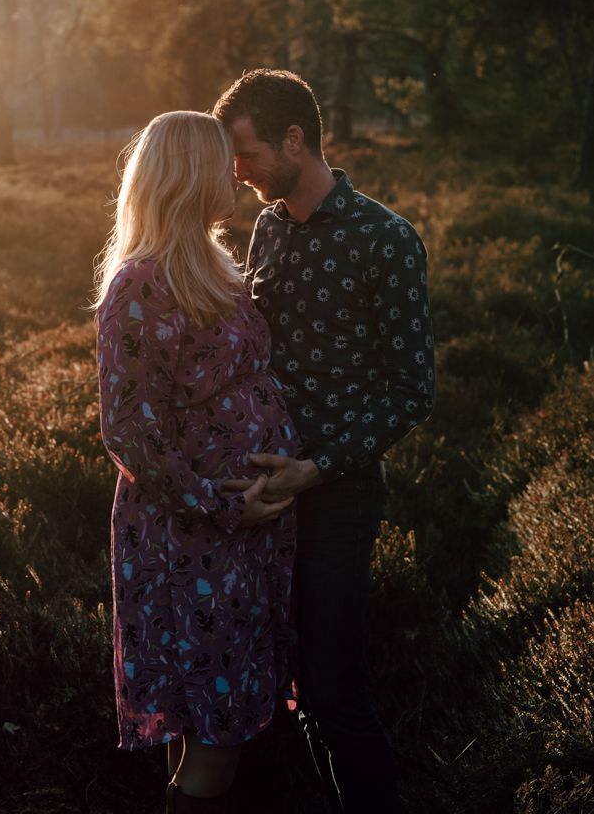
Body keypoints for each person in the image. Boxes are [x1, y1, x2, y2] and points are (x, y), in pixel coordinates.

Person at [213, 69, 435, 814]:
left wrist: (314, 468)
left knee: (336, 690)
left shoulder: (386, 239)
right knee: (293, 688)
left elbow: (412, 390)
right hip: (265, 493)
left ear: (294, 140)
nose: (237, 173)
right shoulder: (269, 226)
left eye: (246, 156)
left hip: (338, 496)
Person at [94, 110, 300, 814]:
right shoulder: (138, 284)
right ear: (189, 175)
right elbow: (128, 431)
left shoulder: (215, 264)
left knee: (205, 721)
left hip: (242, 534)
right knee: (216, 732)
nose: (235, 177)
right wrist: (223, 503)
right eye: (221, 163)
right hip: (189, 538)